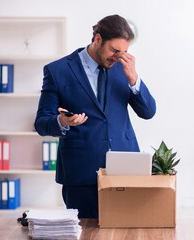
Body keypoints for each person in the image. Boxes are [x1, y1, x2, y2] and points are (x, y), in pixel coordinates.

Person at [34, 14, 156, 218]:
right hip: (80, 173)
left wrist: (134, 80)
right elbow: (41, 122)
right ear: (97, 39)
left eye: (124, 51)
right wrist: (62, 122)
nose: (118, 57)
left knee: (128, 232)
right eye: (114, 50)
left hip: (125, 170)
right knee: (85, 233)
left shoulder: (124, 69)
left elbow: (148, 112)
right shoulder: (58, 71)